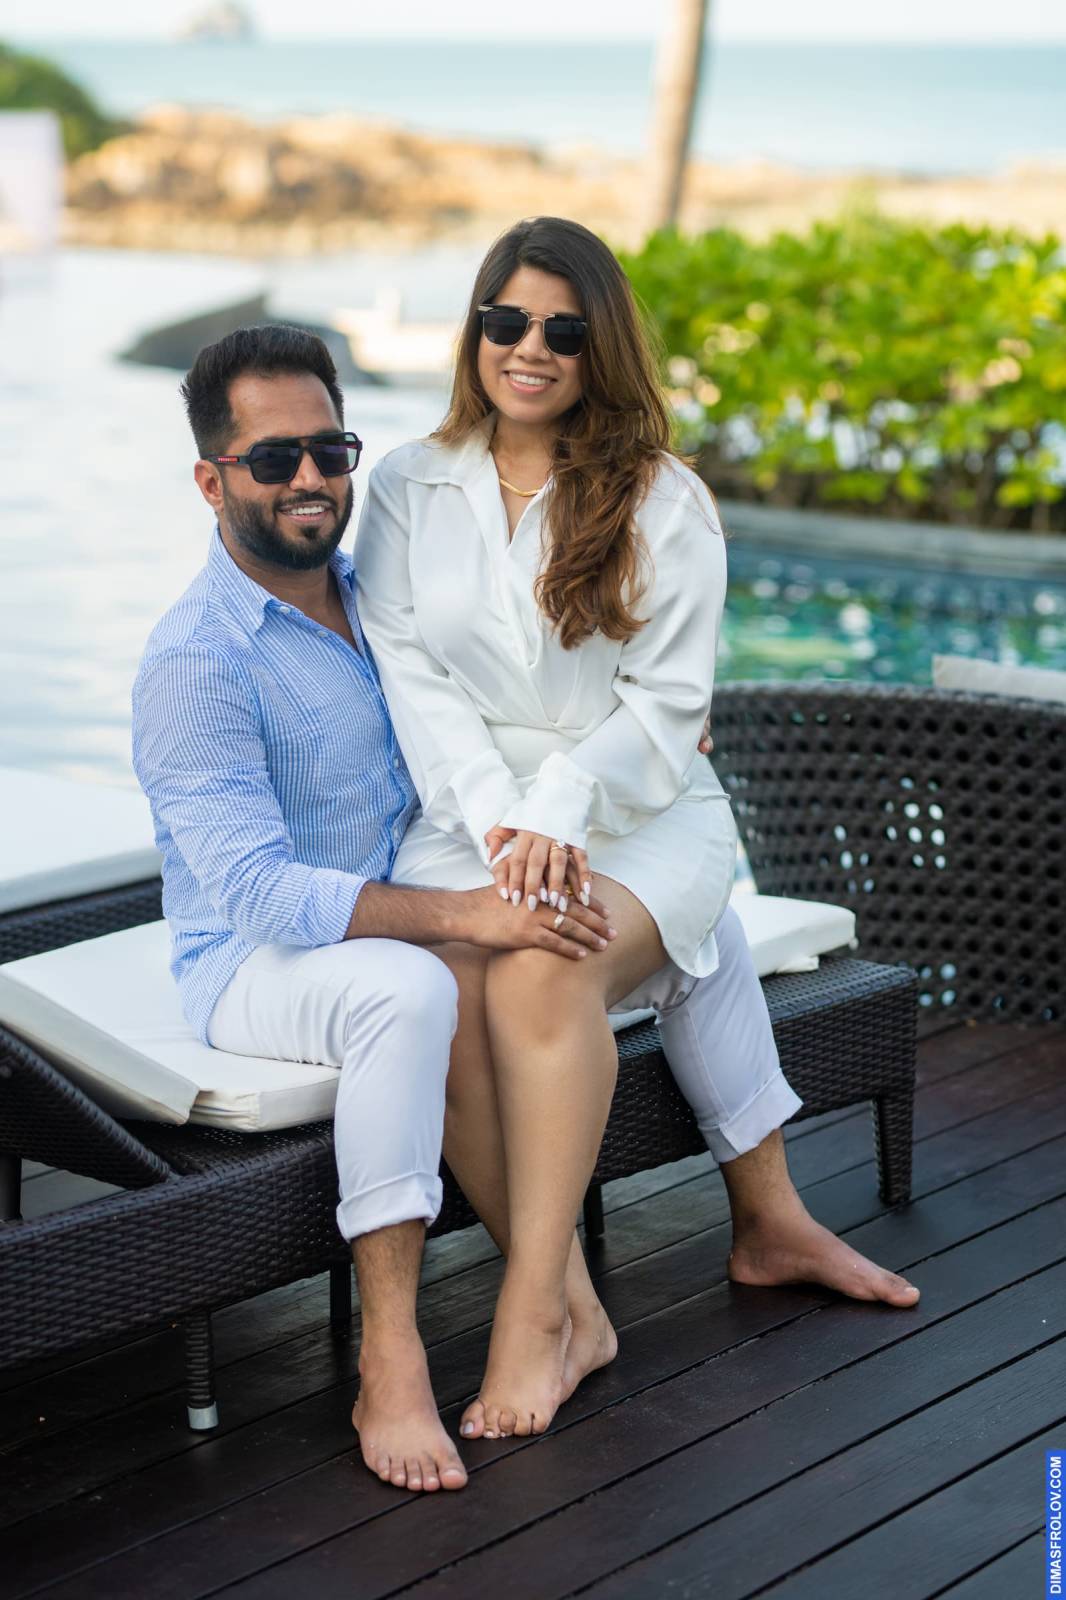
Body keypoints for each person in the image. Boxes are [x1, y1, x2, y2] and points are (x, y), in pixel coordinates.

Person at [133, 318, 917, 1500]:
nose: (310, 480)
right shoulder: (198, 659)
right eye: (272, 459)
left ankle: (736, 1232)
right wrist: (467, 918)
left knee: (648, 906)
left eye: (329, 452)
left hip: (414, 886)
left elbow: (505, 691)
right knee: (421, 988)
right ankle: (393, 1356)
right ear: (211, 480)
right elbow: (258, 893)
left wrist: (653, 727)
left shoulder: (372, 591)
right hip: (256, 957)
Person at [354, 215, 920, 1449]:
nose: (529, 348)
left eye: (562, 330)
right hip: (467, 817)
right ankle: (571, 1301)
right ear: (475, 327)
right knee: (449, 987)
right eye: (506, 319)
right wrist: (506, 823)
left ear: (598, 346)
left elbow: (667, 708)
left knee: (539, 974)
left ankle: (526, 1314)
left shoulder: (668, 499)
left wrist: (558, 810)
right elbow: (412, 678)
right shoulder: (404, 484)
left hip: (642, 810)